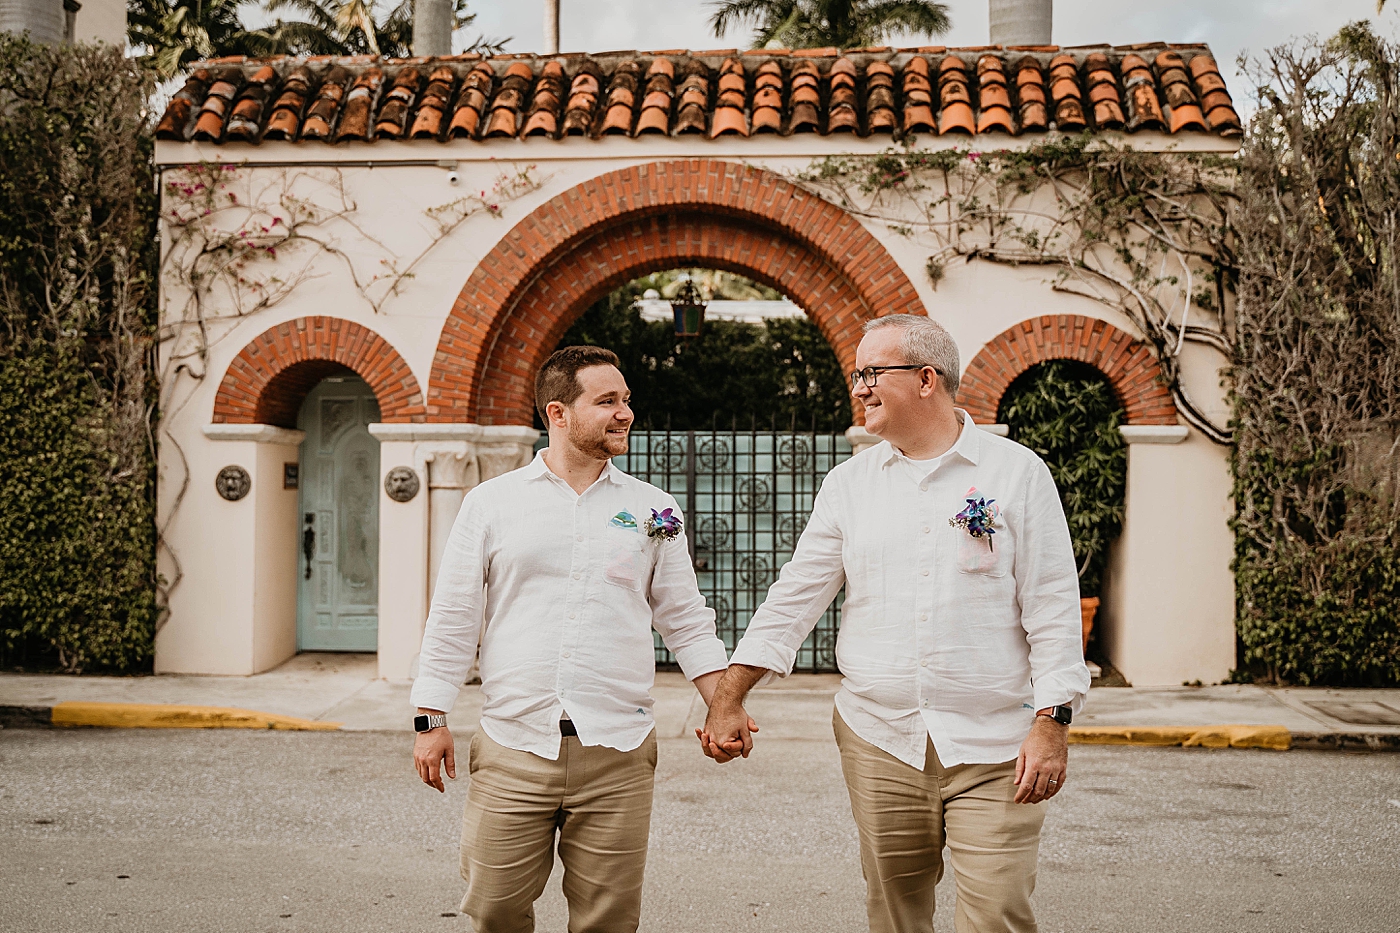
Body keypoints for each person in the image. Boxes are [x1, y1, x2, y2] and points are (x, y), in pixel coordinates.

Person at [699, 314, 1091, 933]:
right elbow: (795, 598)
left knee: (997, 917)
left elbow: (1051, 606)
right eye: (857, 374)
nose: (857, 387)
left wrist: (1054, 721)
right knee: (895, 916)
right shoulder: (849, 484)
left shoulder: (1017, 474)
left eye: (871, 372)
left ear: (927, 379)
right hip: (878, 738)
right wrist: (729, 694)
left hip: (996, 746)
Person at [412, 345, 750, 933]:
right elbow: (455, 614)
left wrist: (725, 703)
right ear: (558, 413)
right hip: (513, 744)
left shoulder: (653, 510)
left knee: (608, 921)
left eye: (626, 401)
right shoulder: (491, 504)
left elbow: (686, 618)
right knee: (493, 909)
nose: (625, 413)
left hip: (617, 753)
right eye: (608, 401)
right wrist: (429, 716)